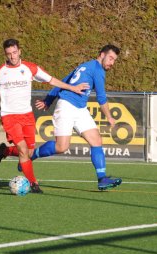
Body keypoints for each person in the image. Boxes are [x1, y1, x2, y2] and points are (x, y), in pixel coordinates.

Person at [0, 38, 89, 194]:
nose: (12, 56)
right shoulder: (0, 73)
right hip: (10, 116)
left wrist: (72, 88)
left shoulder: (30, 68)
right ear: (5, 54)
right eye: (8, 54)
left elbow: (51, 80)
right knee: (24, 150)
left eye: (14, 52)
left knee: (29, 152)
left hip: (27, 115)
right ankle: (34, 184)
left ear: (19, 51)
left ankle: (5, 151)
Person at [28, 44, 122, 191]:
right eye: (110, 58)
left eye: (114, 60)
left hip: (80, 108)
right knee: (61, 147)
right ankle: (31, 155)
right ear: (102, 54)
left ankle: (102, 179)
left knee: (96, 139)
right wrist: (109, 116)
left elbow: (63, 82)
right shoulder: (97, 69)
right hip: (66, 106)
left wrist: (48, 100)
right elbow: (101, 97)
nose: (112, 62)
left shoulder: (85, 66)